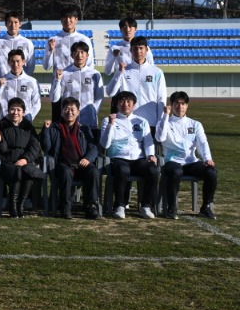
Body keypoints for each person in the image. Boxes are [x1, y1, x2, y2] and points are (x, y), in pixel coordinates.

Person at [156, 91, 218, 219]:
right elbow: (160, 137)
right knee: (176, 171)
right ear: (171, 105)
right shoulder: (164, 122)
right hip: (171, 161)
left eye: (183, 104)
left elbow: (202, 143)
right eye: (176, 104)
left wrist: (207, 159)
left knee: (211, 172)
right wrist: (165, 116)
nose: (180, 107)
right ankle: (172, 207)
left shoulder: (195, 124)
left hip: (191, 162)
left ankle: (206, 206)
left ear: (187, 105)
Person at [100, 91, 158, 219]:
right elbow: (105, 145)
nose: (125, 105)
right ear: (116, 104)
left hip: (138, 159)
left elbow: (148, 142)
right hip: (119, 158)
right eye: (121, 102)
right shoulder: (108, 120)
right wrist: (111, 124)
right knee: (123, 169)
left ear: (134, 105)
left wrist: (150, 155)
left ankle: (146, 206)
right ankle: (120, 205)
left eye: (128, 102)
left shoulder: (142, 121)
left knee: (153, 170)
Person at [42, 97, 101, 220]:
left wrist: (88, 158)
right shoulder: (54, 128)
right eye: (66, 109)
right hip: (62, 164)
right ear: (62, 111)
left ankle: (91, 207)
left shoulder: (84, 129)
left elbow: (93, 147)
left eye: (73, 109)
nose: (69, 112)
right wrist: (46, 131)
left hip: (81, 163)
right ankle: (65, 207)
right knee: (66, 171)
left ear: (78, 112)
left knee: (93, 171)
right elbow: (46, 147)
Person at [0, 97, 44, 218]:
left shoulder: (28, 127)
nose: (15, 112)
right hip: (8, 161)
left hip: (25, 161)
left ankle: (21, 204)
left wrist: (25, 159)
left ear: (23, 112)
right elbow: (2, 150)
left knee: (28, 172)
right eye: (12, 109)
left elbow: (34, 146)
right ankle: (12, 205)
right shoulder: (2, 125)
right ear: (8, 110)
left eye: (18, 110)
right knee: (17, 171)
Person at [106, 36, 167, 135]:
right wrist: (119, 73)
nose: (138, 51)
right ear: (131, 50)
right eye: (135, 48)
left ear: (146, 50)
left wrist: (161, 122)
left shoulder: (157, 72)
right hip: (128, 122)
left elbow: (161, 99)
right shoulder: (124, 70)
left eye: (141, 48)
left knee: (150, 150)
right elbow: (110, 92)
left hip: (150, 122)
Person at [43, 6, 94, 122]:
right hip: (60, 86)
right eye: (65, 18)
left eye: (71, 18)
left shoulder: (84, 39)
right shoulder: (53, 39)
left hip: (80, 87)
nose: (68, 21)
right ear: (60, 20)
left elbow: (90, 65)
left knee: (81, 123)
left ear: (76, 19)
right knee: (58, 123)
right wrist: (50, 51)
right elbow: (46, 66)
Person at [49, 41, 104, 128]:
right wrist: (57, 80)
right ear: (72, 55)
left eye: (82, 52)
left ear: (87, 55)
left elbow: (99, 97)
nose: (79, 55)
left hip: (89, 121)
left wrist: (93, 113)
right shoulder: (64, 73)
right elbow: (54, 99)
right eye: (76, 52)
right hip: (68, 121)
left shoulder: (95, 74)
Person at [0, 49, 41, 123]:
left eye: (18, 61)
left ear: (23, 62)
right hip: (6, 123)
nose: (15, 64)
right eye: (12, 61)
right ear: (8, 62)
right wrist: (0, 87)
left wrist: (28, 118)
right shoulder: (0, 81)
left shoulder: (32, 82)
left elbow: (37, 104)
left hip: (24, 124)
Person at [0, 11, 36, 80]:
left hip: (21, 84)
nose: (13, 25)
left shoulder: (27, 43)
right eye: (10, 22)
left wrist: (23, 79)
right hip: (2, 83)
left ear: (20, 24)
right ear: (6, 24)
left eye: (16, 22)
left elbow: (31, 66)